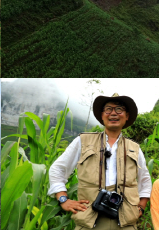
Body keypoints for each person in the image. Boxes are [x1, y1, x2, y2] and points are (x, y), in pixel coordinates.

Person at [48, 93, 152, 230]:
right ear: (102, 115)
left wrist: (141, 207)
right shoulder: (82, 141)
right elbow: (57, 169)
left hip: (125, 221)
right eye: (108, 109)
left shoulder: (135, 148)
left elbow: (145, 180)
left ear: (126, 116)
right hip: (89, 219)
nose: (113, 113)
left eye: (119, 109)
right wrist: (63, 199)